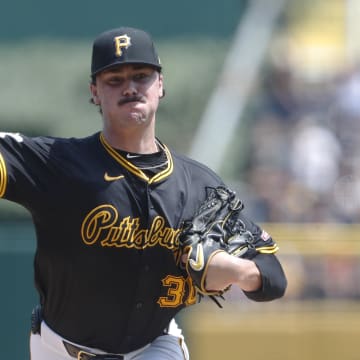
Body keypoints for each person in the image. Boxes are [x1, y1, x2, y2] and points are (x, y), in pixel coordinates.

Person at [0, 27, 287, 360]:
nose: (130, 88)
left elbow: (274, 276)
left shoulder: (199, 187)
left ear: (160, 85)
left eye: (141, 75)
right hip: (59, 350)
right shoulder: (57, 165)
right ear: (94, 92)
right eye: (114, 80)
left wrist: (237, 271)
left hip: (152, 349)